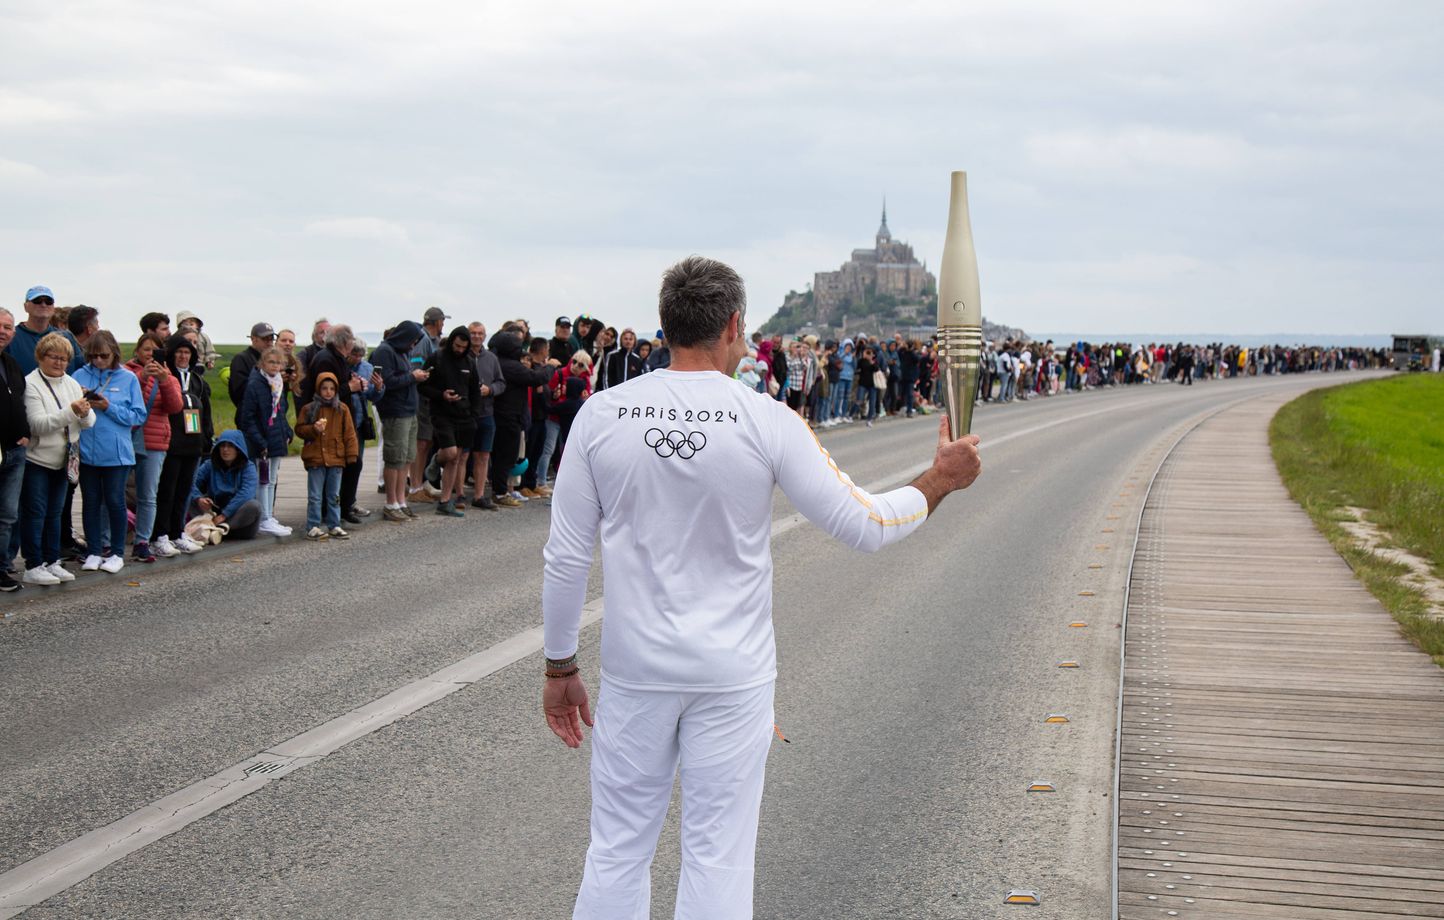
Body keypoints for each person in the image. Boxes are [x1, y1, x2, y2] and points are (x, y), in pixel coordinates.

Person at [541, 257, 981, 918]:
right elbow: (866, 525)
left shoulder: (602, 416)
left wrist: (559, 665)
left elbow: (566, 556)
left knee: (616, 852)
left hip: (637, 673)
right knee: (717, 858)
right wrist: (941, 479)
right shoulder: (766, 419)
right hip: (732, 676)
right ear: (734, 327)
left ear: (666, 326)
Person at [20, 333, 96, 585]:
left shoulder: (72, 383)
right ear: (41, 357)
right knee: (35, 513)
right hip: (38, 460)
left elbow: (89, 421)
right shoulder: (31, 384)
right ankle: (33, 564)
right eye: (54, 357)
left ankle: (52, 560)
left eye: (64, 359)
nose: (60, 363)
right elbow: (37, 424)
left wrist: (84, 414)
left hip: (66, 459)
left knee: (55, 513)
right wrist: (71, 412)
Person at [72, 331, 147, 574]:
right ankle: (94, 550)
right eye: (93, 356)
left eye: (103, 356)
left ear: (114, 353)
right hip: (87, 451)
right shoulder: (79, 375)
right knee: (91, 502)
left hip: (117, 454)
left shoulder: (128, 378)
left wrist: (108, 407)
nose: (99, 361)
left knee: (115, 501)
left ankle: (116, 552)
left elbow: (138, 415)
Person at [124, 333, 183, 562]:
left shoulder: (169, 376)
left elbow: (175, 406)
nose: (150, 355)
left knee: (148, 495)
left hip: (155, 442)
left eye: (155, 351)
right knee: (115, 493)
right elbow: (124, 399)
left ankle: (142, 541)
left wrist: (164, 380)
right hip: (128, 440)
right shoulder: (127, 373)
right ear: (137, 351)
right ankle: (111, 540)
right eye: (146, 350)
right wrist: (141, 377)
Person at [154, 334, 213, 557]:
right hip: (171, 442)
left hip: (193, 443)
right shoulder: (167, 377)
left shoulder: (197, 381)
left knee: (184, 491)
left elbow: (205, 412)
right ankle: (160, 533)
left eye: (187, 352)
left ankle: (177, 532)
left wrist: (207, 438)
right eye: (179, 352)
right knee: (167, 490)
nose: (183, 356)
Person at [488, 330, 556, 508]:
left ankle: (500, 489)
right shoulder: (510, 365)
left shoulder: (499, 362)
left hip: (504, 414)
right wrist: (550, 366)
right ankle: (500, 492)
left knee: (503, 455)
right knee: (506, 456)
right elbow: (537, 378)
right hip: (508, 416)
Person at [419, 327, 481, 517]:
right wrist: (441, 395)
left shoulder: (470, 362)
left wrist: (474, 415)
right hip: (441, 413)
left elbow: (475, 391)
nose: (460, 349)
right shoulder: (436, 358)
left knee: (456, 459)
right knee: (450, 452)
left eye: (463, 346)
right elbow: (422, 385)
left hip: (464, 416)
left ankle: (445, 501)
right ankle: (435, 460)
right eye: (457, 345)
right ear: (451, 341)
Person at [371, 322, 428, 522]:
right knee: (394, 458)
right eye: (412, 341)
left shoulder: (402, 351)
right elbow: (386, 381)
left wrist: (414, 378)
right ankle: (391, 502)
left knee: (406, 457)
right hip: (395, 411)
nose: (413, 345)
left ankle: (401, 501)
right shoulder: (384, 352)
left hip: (409, 410)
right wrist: (412, 377)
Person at [238, 346, 294, 536]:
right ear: (262, 363)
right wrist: (260, 441)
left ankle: (269, 515)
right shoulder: (255, 384)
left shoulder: (278, 384)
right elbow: (248, 417)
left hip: (276, 438)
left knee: (271, 480)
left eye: (278, 363)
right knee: (262, 480)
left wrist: (287, 431)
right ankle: (263, 518)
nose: (274, 366)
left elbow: (281, 412)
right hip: (261, 441)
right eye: (271, 362)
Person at [296, 371, 358, 540]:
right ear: (318, 389)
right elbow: (300, 429)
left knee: (334, 495)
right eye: (324, 388)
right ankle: (313, 525)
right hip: (315, 457)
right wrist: (313, 429)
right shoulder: (309, 409)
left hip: (336, 458)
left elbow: (349, 433)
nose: (328, 392)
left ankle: (334, 524)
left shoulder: (342, 409)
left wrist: (351, 454)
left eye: (331, 388)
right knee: (315, 495)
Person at [0, 309, 31, 590]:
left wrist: (24, 433)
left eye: (8, 327)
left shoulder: (10, 363)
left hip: (14, 450)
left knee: (8, 514)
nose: (3, 331)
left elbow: (20, 401)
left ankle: (2, 567)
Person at [532, 351, 591, 496]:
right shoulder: (559, 373)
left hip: (567, 419)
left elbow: (587, 397)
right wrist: (554, 395)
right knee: (548, 449)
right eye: (574, 361)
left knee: (565, 452)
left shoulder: (585, 379)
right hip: (554, 418)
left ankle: (561, 482)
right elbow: (548, 391)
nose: (576, 366)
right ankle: (541, 481)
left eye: (581, 364)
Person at [187, 430, 261, 540]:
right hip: (214, 514)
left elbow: (246, 493)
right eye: (222, 446)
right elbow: (190, 484)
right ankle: (212, 530)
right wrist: (199, 499)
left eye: (230, 446)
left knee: (254, 506)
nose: (225, 450)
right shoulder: (209, 465)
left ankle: (218, 529)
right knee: (188, 497)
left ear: (238, 449)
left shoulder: (248, 467)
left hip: (237, 523)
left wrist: (224, 515)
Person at [340, 338, 383, 524]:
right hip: (341, 423)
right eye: (354, 354)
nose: (357, 358)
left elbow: (373, 395)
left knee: (356, 463)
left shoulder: (367, 367)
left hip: (358, 423)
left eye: (360, 355)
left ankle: (351, 501)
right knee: (342, 465)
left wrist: (379, 387)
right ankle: (339, 502)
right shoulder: (340, 366)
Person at [466, 322, 505, 510]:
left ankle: (479, 495)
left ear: (485, 336)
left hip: (486, 412)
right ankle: (458, 495)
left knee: (483, 455)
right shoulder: (462, 356)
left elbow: (501, 383)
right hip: (465, 413)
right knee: (463, 455)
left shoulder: (491, 358)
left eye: (480, 333)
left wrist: (490, 390)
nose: (476, 336)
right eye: (472, 333)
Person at [6, 287, 84, 376]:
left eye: (48, 301)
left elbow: (83, 369)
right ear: (26, 306)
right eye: (37, 301)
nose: (43, 305)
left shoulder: (67, 337)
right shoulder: (10, 336)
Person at [228, 323, 275, 408]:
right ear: (253, 339)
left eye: (271, 339)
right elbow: (239, 392)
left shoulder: (273, 360)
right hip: (249, 414)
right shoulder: (241, 359)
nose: (269, 343)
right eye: (265, 339)